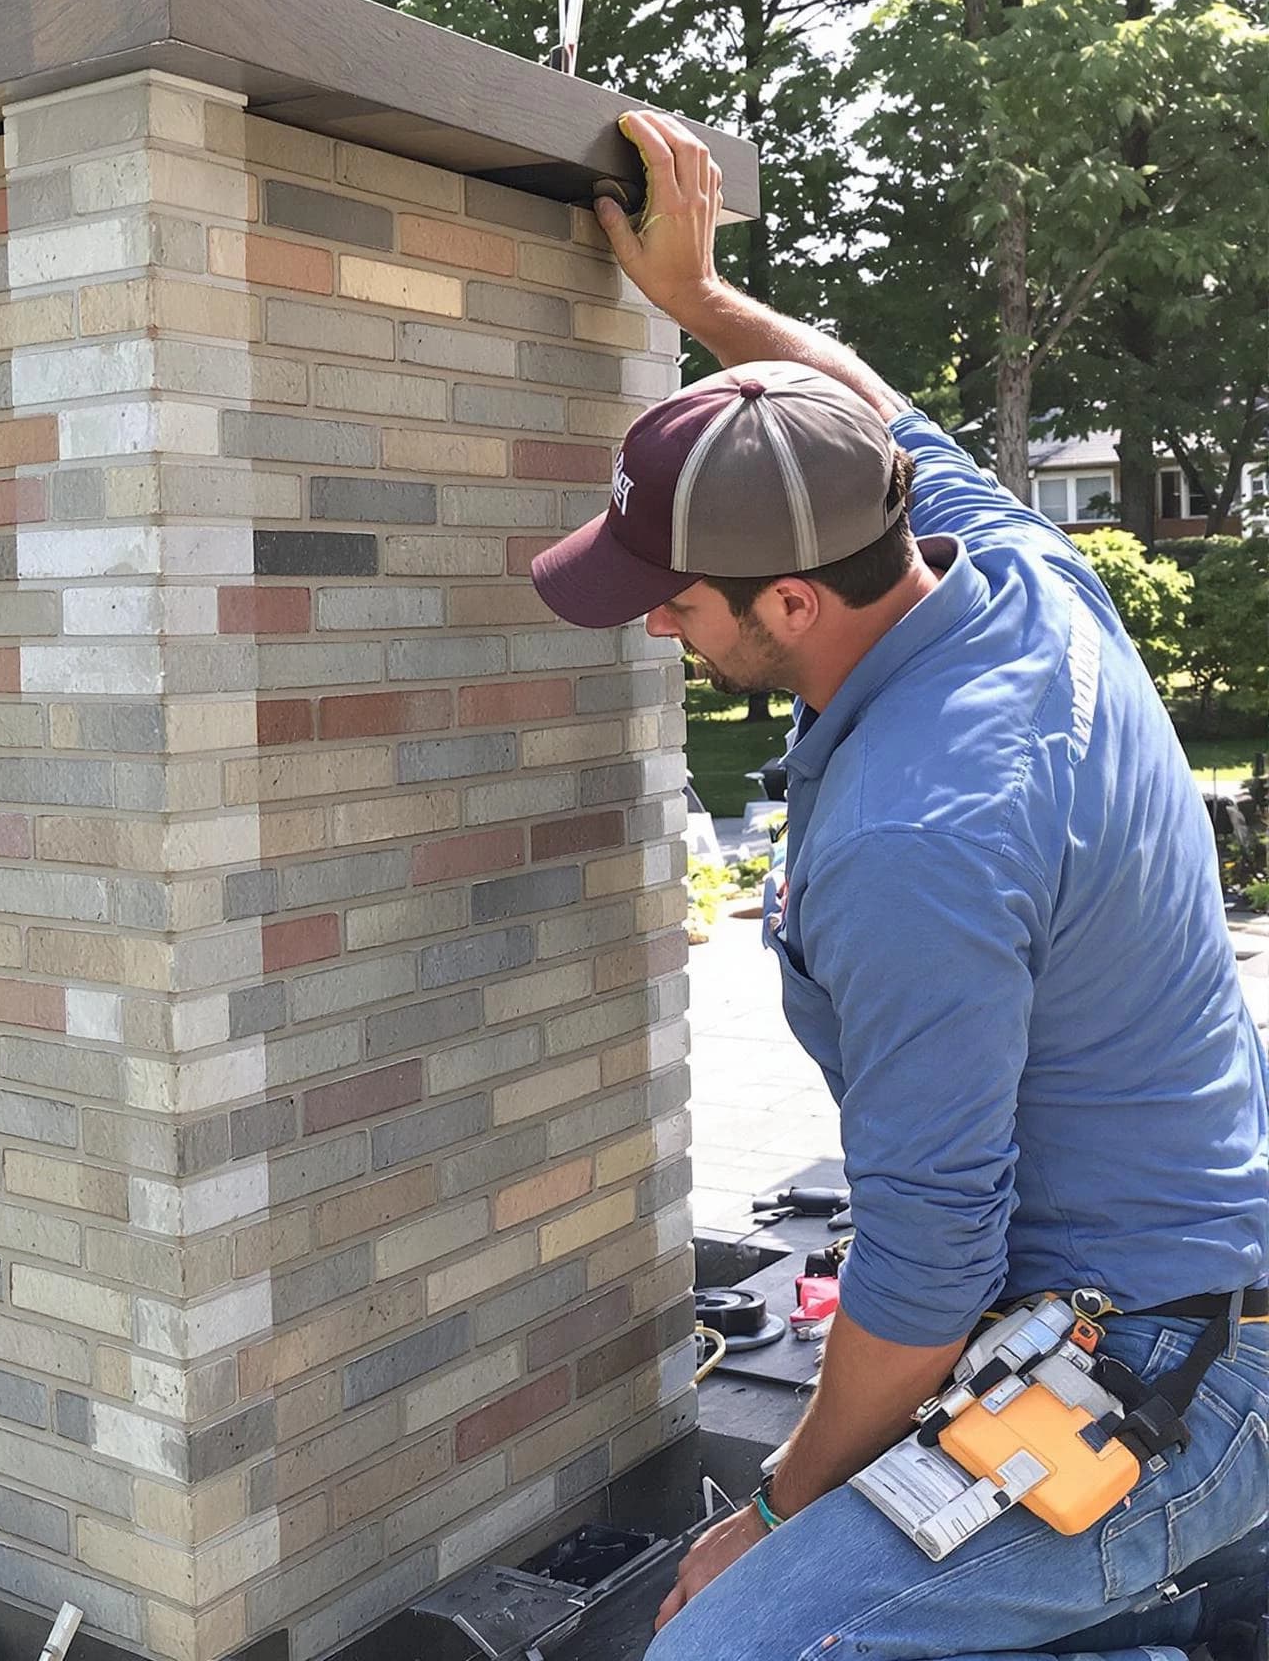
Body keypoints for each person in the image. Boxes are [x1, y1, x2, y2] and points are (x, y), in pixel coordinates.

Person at [529, 110, 1269, 1661]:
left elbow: (926, 1279)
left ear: (792, 597)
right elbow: (865, 408)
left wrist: (776, 1514)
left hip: (1152, 1369)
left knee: (720, 1651)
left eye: (675, 600)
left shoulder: (914, 840)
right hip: (1200, 1281)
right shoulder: (1003, 565)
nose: (656, 625)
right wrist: (705, 302)